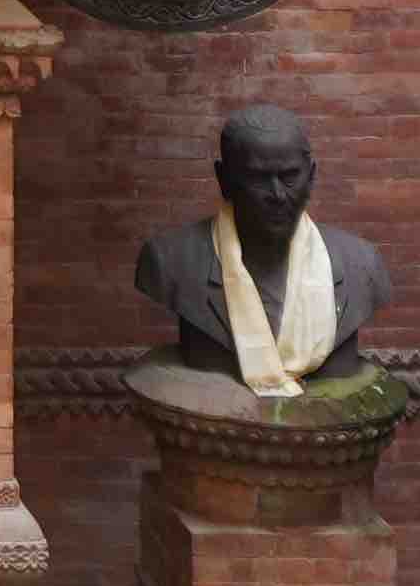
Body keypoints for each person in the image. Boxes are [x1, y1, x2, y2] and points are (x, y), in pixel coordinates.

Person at [135, 106, 384, 402]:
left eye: (290, 176)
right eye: (258, 178)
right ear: (223, 179)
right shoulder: (170, 261)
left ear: (312, 176)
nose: (277, 194)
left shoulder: (362, 265)